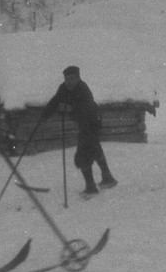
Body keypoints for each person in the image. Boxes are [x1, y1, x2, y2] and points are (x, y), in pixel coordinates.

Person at [42, 66, 117, 197]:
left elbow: (83, 110)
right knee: (94, 148)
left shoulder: (83, 89)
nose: (68, 82)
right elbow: (55, 101)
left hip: (93, 123)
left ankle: (91, 187)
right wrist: (44, 114)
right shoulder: (63, 89)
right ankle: (108, 178)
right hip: (84, 124)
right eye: (66, 79)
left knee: (83, 154)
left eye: (71, 78)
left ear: (78, 78)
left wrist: (67, 109)